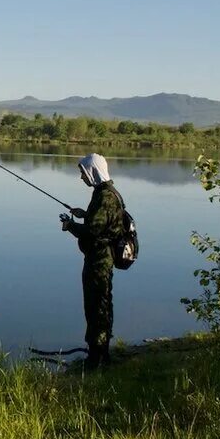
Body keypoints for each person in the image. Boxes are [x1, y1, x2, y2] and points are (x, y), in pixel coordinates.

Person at [60, 153, 124, 369]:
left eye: (83, 172)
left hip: (100, 259)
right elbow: (99, 222)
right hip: (99, 257)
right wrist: (84, 214)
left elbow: (92, 232)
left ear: (93, 171)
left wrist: (71, 226)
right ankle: (99, 353)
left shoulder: (105, 197)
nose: (81, 177)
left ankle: (98, 356)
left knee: (97, 305)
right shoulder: (104, 193)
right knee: (99, 303)